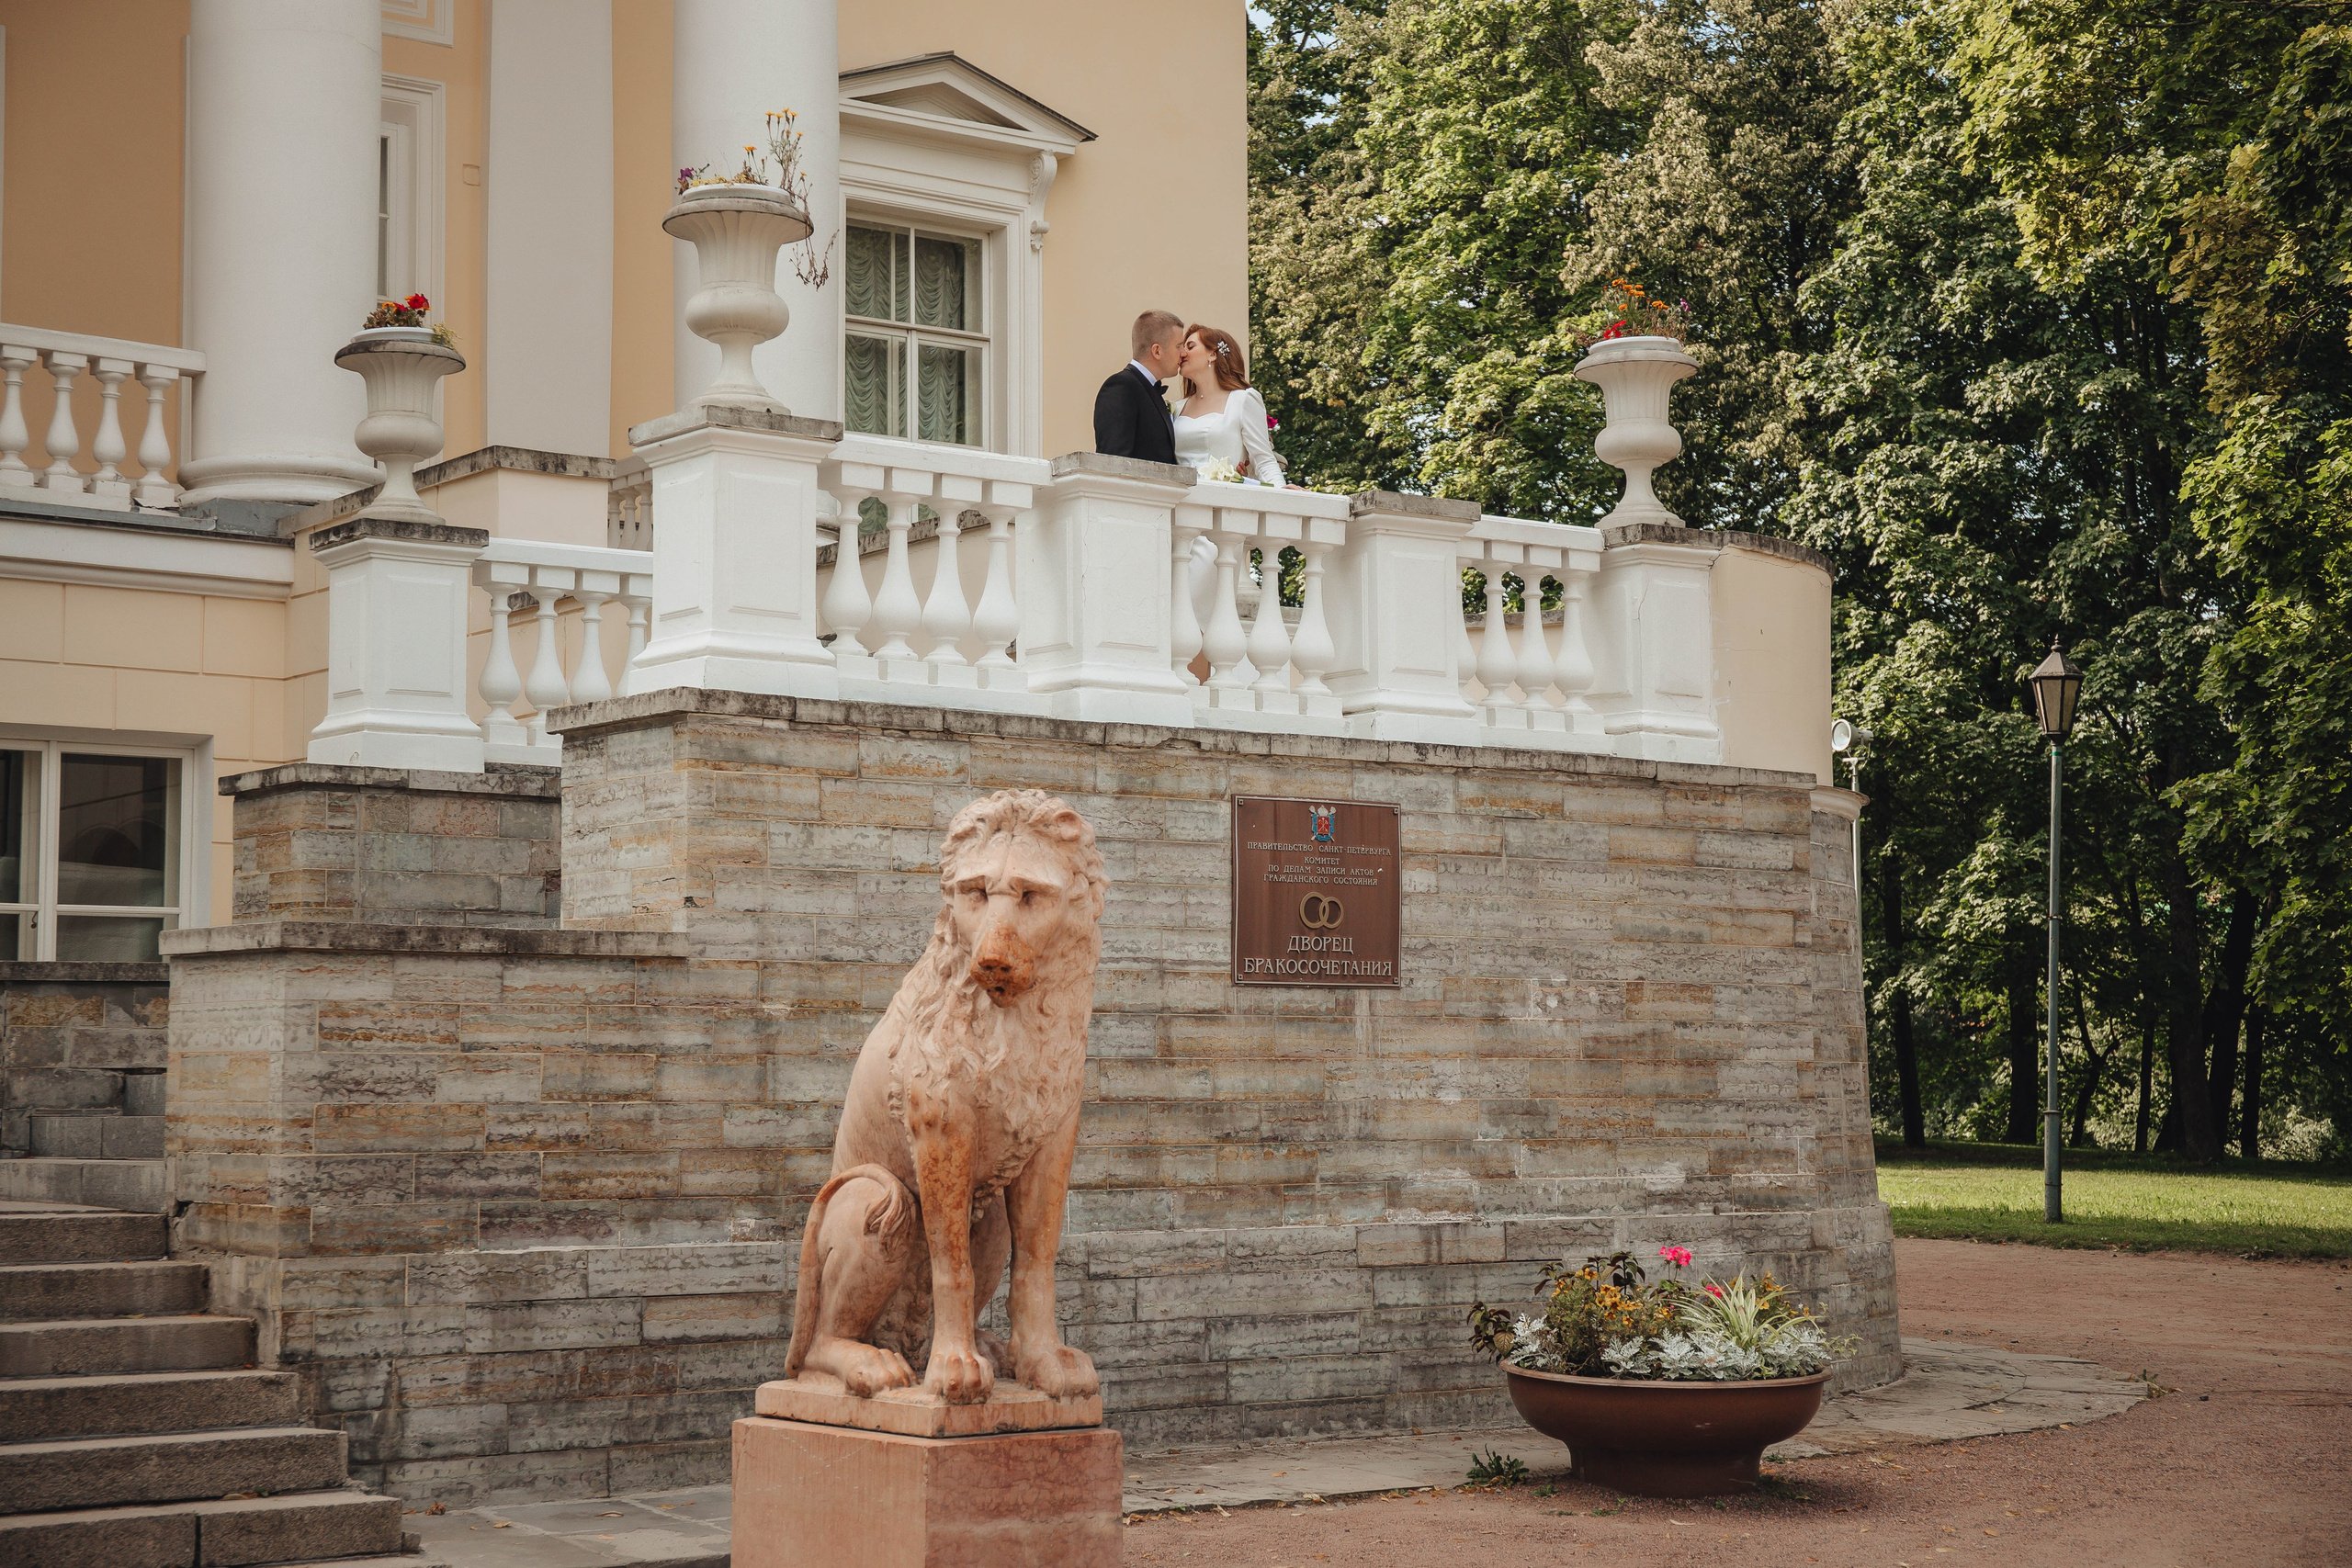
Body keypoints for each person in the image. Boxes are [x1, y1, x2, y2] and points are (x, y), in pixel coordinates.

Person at [1171, 324, 1283, 488]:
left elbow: (1263, 460)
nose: (1182, 354)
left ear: (1213, 354)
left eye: (1191, 346)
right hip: (1180, 500)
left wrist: (1281, 489)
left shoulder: (1243, 400)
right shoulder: (1175, 408)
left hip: (1223, 501)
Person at [1093, 309, 1184, 464]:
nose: (1183, 353)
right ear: (1157, 351)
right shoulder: (1121, 387)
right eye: (1178, 346)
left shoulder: (1148, 389)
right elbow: (1113, 460)